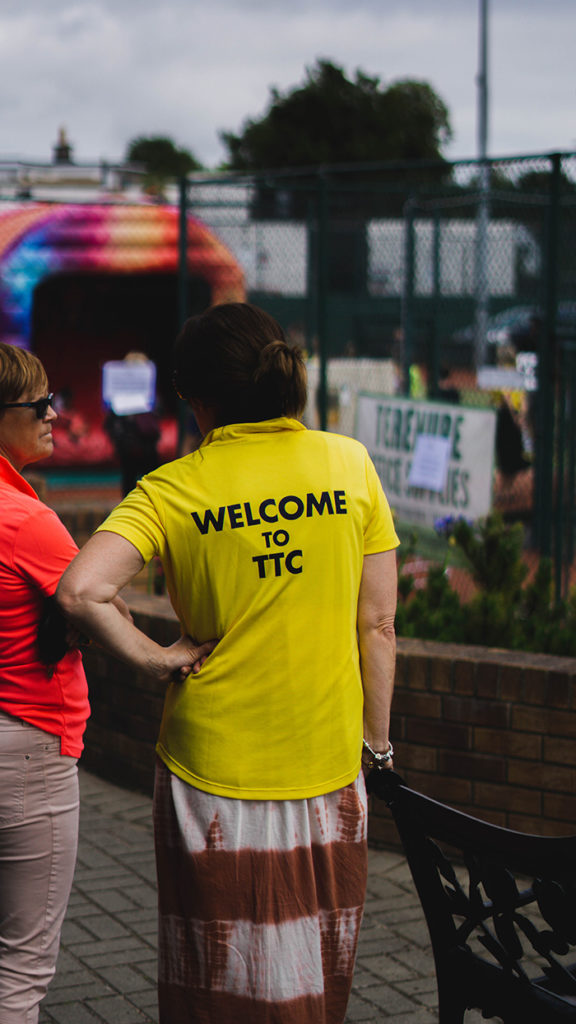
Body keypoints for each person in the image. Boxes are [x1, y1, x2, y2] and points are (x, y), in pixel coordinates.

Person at [57, 302, 399, 1024]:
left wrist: (157, 660)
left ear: (199, 397)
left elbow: (83, 590)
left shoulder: (174, 487)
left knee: (215, 980)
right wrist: (377, 744)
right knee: (315, 974)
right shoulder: (350, 464)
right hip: (328, 762)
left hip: (209, 772)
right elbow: (378, 624)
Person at [0, 345, 89, 1023]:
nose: (53, 414)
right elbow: (98, 604)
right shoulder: (27, 521)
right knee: (22, 966)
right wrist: (165, 659)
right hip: (26, 749)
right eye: (38, 405)